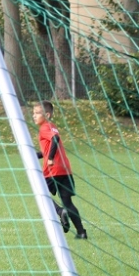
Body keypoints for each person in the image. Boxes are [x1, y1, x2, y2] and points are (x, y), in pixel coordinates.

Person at [32, 101, 88, 240]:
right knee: (67, 202)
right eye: (33, 113)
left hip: (53, 169)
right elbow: (50, 146)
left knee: (40, 194)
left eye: (37, 113)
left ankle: (59, 211)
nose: (34, 115)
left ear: (47, 114)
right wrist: (36, 155)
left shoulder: (45, 127)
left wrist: (50, 158)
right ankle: (81, 232)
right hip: (65, 169)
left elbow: (55, 140)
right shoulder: (52, 127)